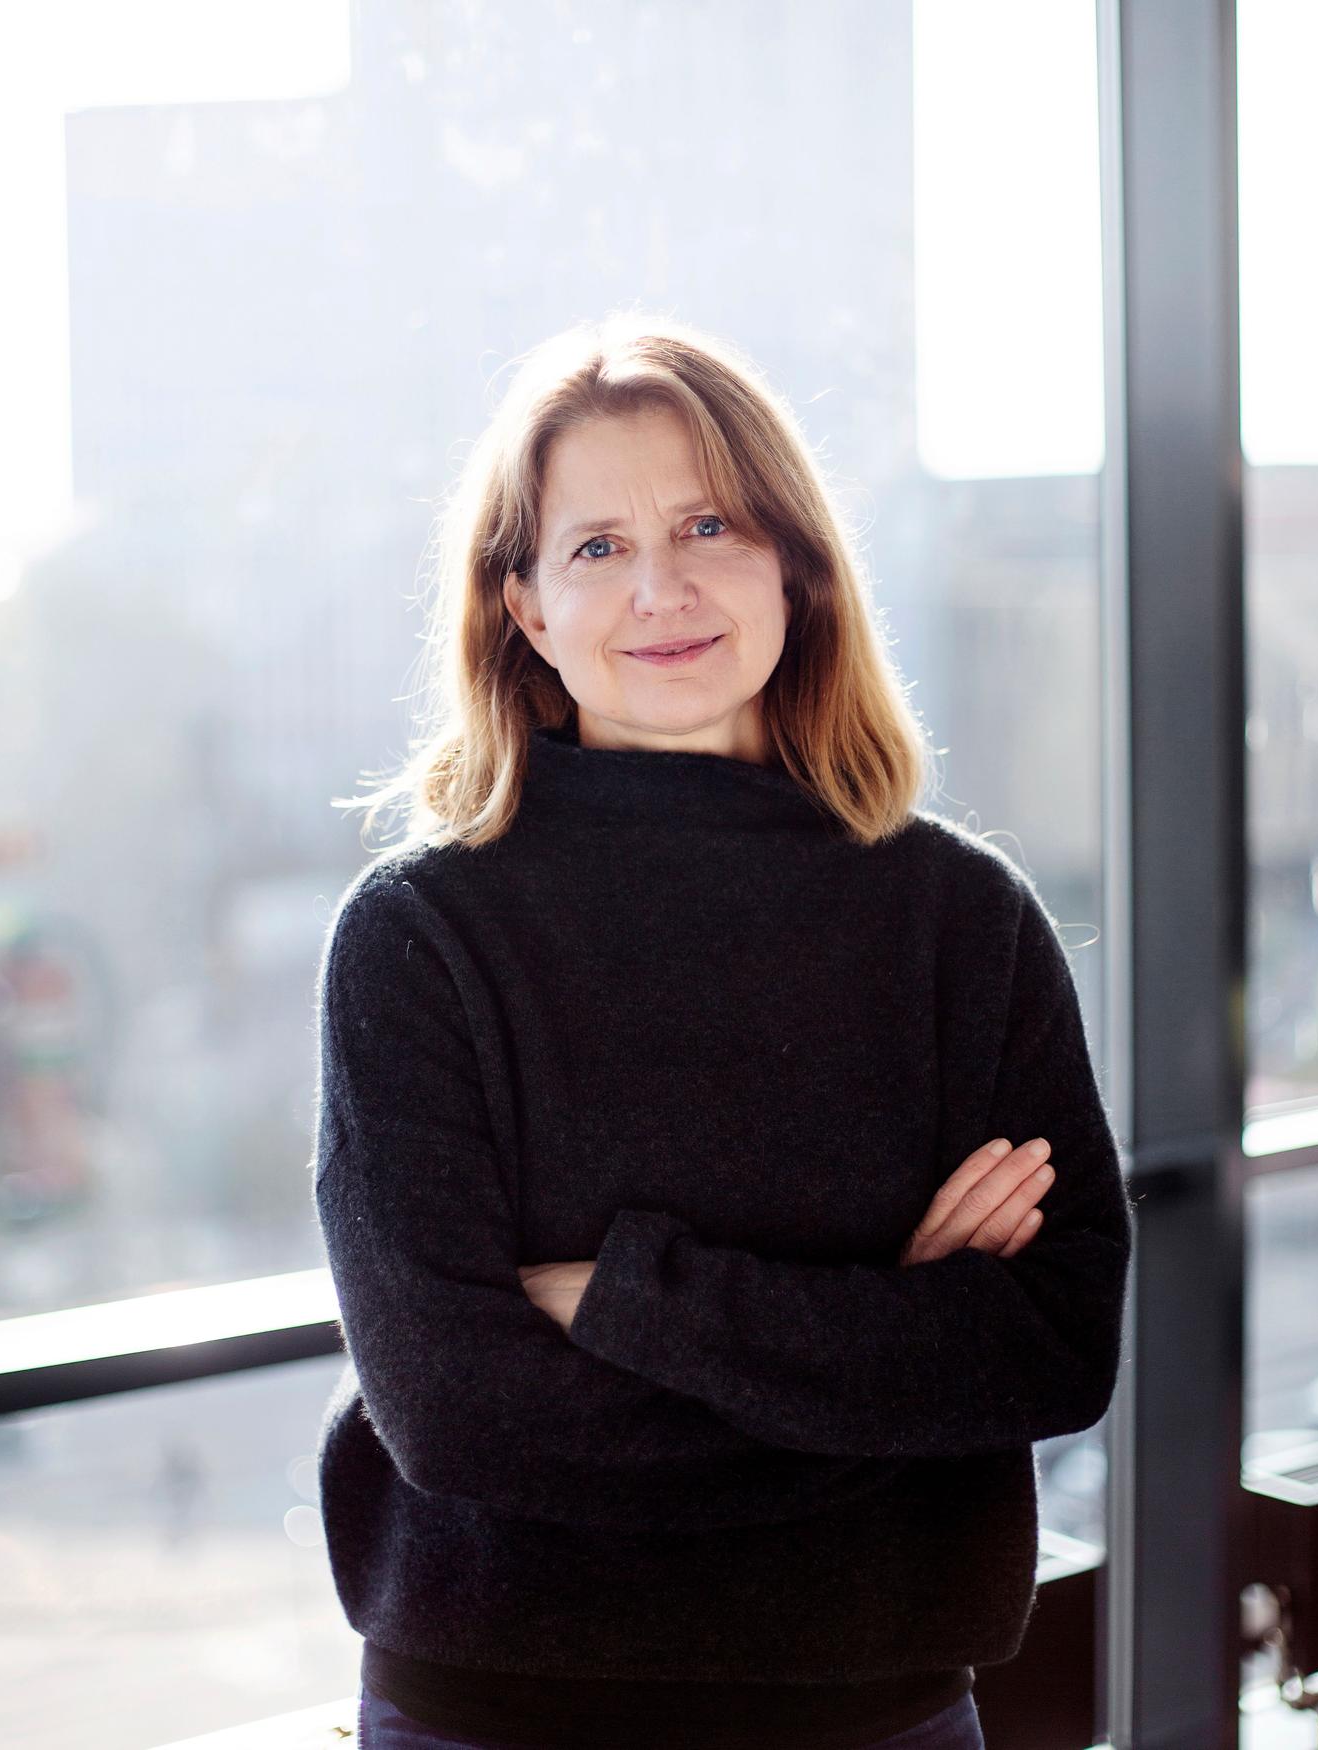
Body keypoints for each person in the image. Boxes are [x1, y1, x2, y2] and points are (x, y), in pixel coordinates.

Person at [312, 312, 1134, 1750]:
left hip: (876, 1708)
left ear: (795, 563)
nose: (663, 586)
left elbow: (1054, 1348)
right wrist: (883, 1351)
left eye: (707, 524)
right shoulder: (419, 937)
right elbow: (456, 1415)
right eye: (597, 547)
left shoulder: (961, 919)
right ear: (524, 605)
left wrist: (636, 1302)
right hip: (505, 1714)